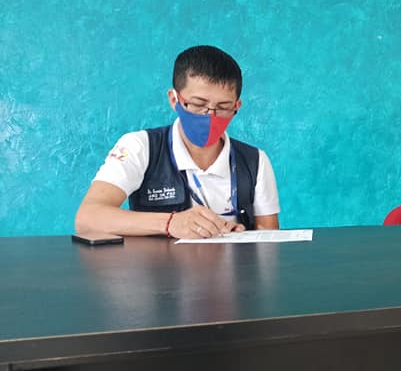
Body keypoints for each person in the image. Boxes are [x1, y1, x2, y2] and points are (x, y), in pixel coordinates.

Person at [75, 45, 280, 239]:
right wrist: (171, 223)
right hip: (158, 265)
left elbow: (269, 239)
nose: (210, 115)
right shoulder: (139, 146)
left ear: (237, 106)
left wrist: (240, 235)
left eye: (223, 107)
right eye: (198, 104)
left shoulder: (255, 160)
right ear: (174, 99)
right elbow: (87, 218)